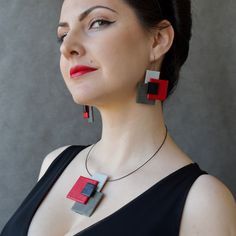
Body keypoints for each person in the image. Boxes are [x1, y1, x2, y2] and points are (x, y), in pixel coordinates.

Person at [1, 0, 236, 235]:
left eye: (98, 22)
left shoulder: (202, 203)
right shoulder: (54, 163)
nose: (67, 47)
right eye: (63, 35)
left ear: (158, 40)